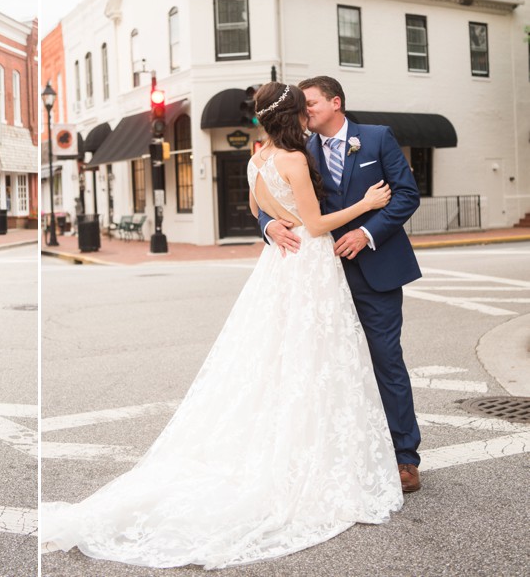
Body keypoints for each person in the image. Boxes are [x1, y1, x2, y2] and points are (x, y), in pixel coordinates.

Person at [42, 82, 402, 569]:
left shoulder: (257, 159)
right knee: (313, 358)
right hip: (310, 266)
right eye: (304, 110)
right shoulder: (295, 160)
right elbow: (315, 225)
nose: (308, 116)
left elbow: (257, 208)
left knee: (281, 360)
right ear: (294, 115)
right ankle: (315, 459)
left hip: (280, 270)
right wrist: (365, 205)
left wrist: (273, 223)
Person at [260, 76, 423, 493]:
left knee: (386, 361)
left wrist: (367, 233)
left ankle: (405, 457)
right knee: (330, 367)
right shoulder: (298, 150)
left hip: (376, 269)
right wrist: (268, 225)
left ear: (336, 102)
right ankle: (350, 450)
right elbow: (272, 198)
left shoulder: (376, 138)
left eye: (311, 102)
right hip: (320, 278)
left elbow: (406, 195)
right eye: (302, 104)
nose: (306, 109)